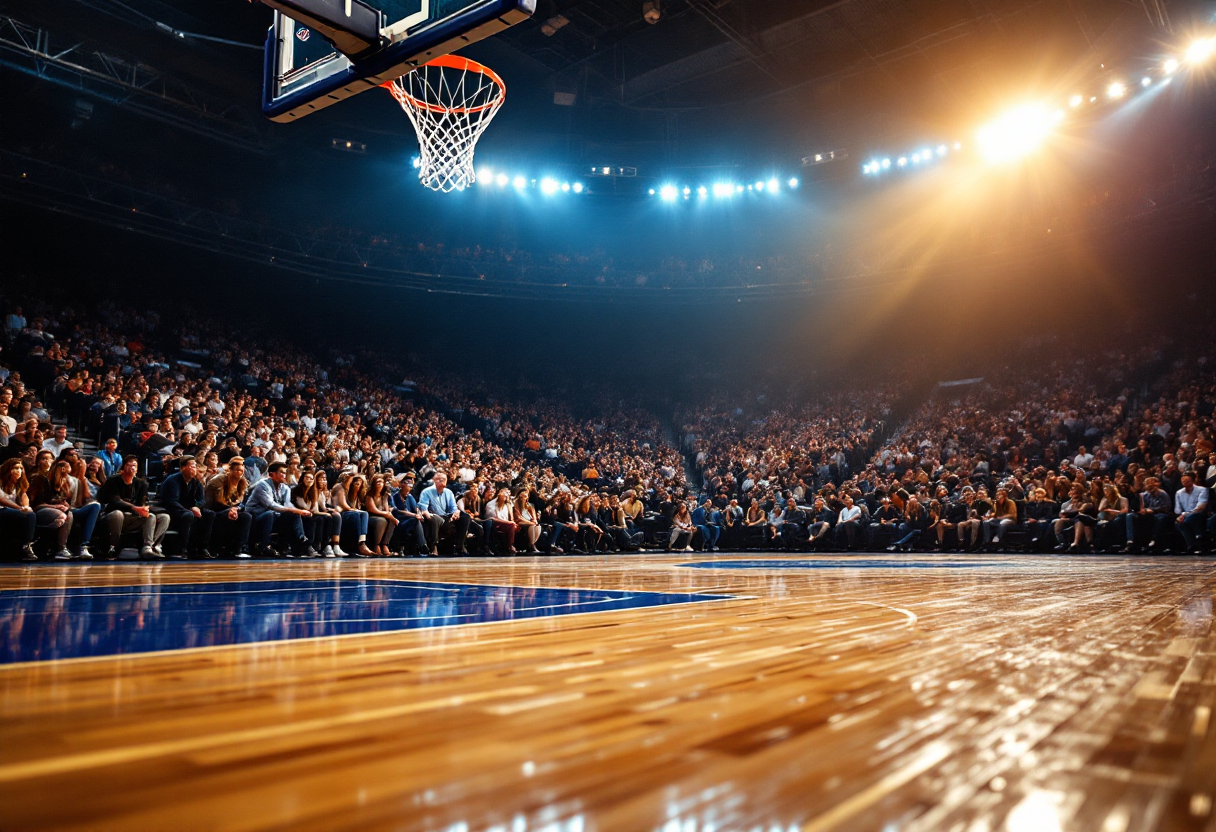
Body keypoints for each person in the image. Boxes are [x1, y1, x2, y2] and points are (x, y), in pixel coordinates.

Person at [98, 455, 170, 559]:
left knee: (158, 516)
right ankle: (113, 547)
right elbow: (114, 501)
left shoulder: (141, 483)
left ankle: (148, 547)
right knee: (118, 514)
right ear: (123, 467)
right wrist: (134, 508)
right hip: (112, 515)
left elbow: (142, 503)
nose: (132, 467)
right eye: (129, 464)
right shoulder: (112, 481)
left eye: (134, 465)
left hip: (132, 517)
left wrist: (143, 509)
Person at [246, 461, 317, 558]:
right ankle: (264, 546)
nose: (285, 475)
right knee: (270, 513)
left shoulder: (285, 488)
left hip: (274, 516)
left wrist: (300, 512)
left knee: (294, 516)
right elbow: (271, 505)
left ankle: (301, 542)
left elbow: (288, 504)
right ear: (272, 474)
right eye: (282, 472)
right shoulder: (262, 485)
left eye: (285, 472)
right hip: (256, 516)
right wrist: (297, 511)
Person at [156, 457, 213, 559]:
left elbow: (202, 501)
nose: (194, 468)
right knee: (188, 515)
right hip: (173, 511)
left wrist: (195, 507)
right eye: (192, 466)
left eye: (195, 466)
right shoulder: (173, 480)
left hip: (189, 509)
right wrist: (190, 510)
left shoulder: (196, 482)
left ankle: (202, 548)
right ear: (182, 468)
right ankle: (182, 549)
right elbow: (171, 501)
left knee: (210, 514)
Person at [28, 457, 78, 561]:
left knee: (69, 514)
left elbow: (63, 501)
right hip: (39, 509)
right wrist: (55, 506)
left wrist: (65, 505)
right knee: (62, 516)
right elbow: (36, 503)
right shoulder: (40, 479)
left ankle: (61, 548)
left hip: (56, 510)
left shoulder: (63, 484)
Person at [205, 457, 253, 559]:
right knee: (224, 515)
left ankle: (238, 549)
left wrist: (236, 509)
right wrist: (231, 509)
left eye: (241, 471)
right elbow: (218, 501)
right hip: (214, 509)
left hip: (231, 509)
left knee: (246, 516)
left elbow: (243, 502)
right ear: (230, 470)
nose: (239, 473)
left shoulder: (243, 482)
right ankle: (214, 548)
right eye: (237, 470)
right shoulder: (219, 480)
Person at [418, 471, 471, 556]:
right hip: (434, 515)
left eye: (444, 479)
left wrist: (455, 512)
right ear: (434, 481)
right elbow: (423, 508)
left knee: (465, 517)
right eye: (439, 479)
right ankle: (433, 547)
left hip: (447, 516)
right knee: (434, 518)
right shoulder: (426, 491)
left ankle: (459, 545)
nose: (442, 480)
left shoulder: (448, 492)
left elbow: (453, 507)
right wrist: (427, 514)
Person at [0, 457, 38, 561]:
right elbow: (1, 499)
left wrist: (25, 508)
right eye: (16, 468)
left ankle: (26, 545)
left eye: (21, 468)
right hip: (1, 509)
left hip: (12, 511)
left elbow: (24, 499)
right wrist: (19, 508)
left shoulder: (19, 485)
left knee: (30, 514)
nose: (19, 471)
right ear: (8, 470)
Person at [332, 472, 374, 557]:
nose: (358, 483)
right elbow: (343, 504)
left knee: (364, 514)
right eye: (355, 481)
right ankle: (356, 546)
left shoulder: (355, 492)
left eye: (360, 482)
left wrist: (356, 491)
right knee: (356, 515)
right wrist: (353, 510)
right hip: (340, 512)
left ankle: (362, 542)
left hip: (347, 512)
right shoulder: (340, 487)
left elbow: (353, 506)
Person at [389, 472, 427, 556]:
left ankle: (420, 547)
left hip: (410, 521)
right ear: (401, 485)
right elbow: (397, 511)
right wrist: (414, 515)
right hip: (399, 521)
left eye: (411, 484)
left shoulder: (409, 496)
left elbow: (416, 508)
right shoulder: (395, 496)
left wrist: (419, 513)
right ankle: (422, 546)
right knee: (415, 521)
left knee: (420, 520)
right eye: (408, 484)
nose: (410, 486)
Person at [1175, 472, 1210, 554]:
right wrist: (1180, 515)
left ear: (1193, 480)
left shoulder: (1202, 490)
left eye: (1187, 480)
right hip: (1184, 516)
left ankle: (1194, 545)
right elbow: (1177, 509)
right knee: (1179, 523)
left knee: (1188, 519)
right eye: (1183, 480)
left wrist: (1185, 514)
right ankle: (1192, 545)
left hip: (1198, 514)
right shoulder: (1179, 493)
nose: (1184, 482)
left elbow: (1201, 506)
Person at [364, 474, 398, 556]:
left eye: (381, 482)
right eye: (377, 482)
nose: (379, 483)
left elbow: (386, 509)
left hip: (381, 515)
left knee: (391, 521)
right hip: (371, 516)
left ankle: (384, 544)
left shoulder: (385, 495)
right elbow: (372, 509)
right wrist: (387, 514)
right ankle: (376, 545)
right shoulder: (369, 495)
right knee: (382, 520)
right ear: (374, 483)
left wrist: (388, 514)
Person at [486, 487, 519, 554]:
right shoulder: (491, 504)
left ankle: (509, 546)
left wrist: (511, 521)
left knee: (514, 526)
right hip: (494, 523)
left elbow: (510, 518)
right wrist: (509, 522)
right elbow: (492, 518)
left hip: (505, 523)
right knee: (511, 525)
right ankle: (510, 546)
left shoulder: (507, 504)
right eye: (505, 495)